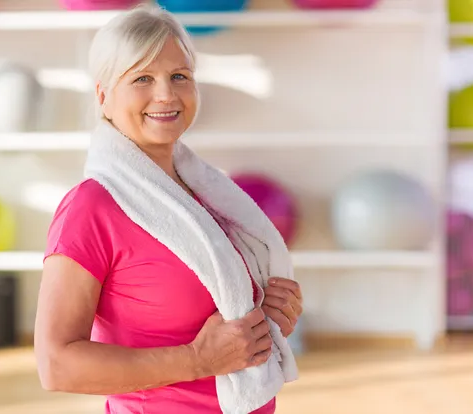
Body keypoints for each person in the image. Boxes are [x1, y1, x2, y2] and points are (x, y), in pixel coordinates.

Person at [34, 5, 303, 414]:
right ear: (103, 96)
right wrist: (198, 360)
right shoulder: (90, 207)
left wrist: (269, 319)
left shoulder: (207, 198)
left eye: (180, 76)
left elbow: (227, 323)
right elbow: (56, 365)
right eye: (142, 78)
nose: (166, 94)